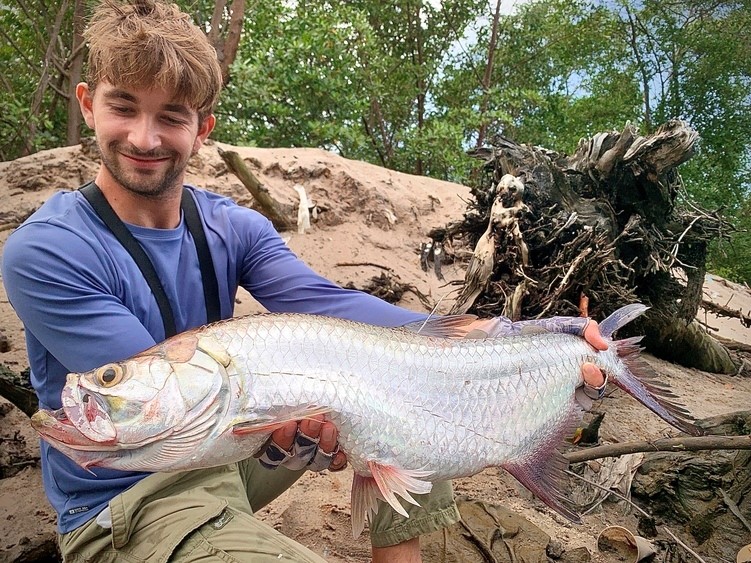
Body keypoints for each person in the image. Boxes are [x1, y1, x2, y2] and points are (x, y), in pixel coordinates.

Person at [2, 1, 609, 561]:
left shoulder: (231, 225)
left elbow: (328, 303)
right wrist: (290, 415)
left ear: (203, 127)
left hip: (235, 444)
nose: (144, 138)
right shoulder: (47, 251)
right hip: (131, 494)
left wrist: (502, 334)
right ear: (87, 104)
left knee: (408, 390)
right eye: (124, 106)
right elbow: (155, 406)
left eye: (171, 116)